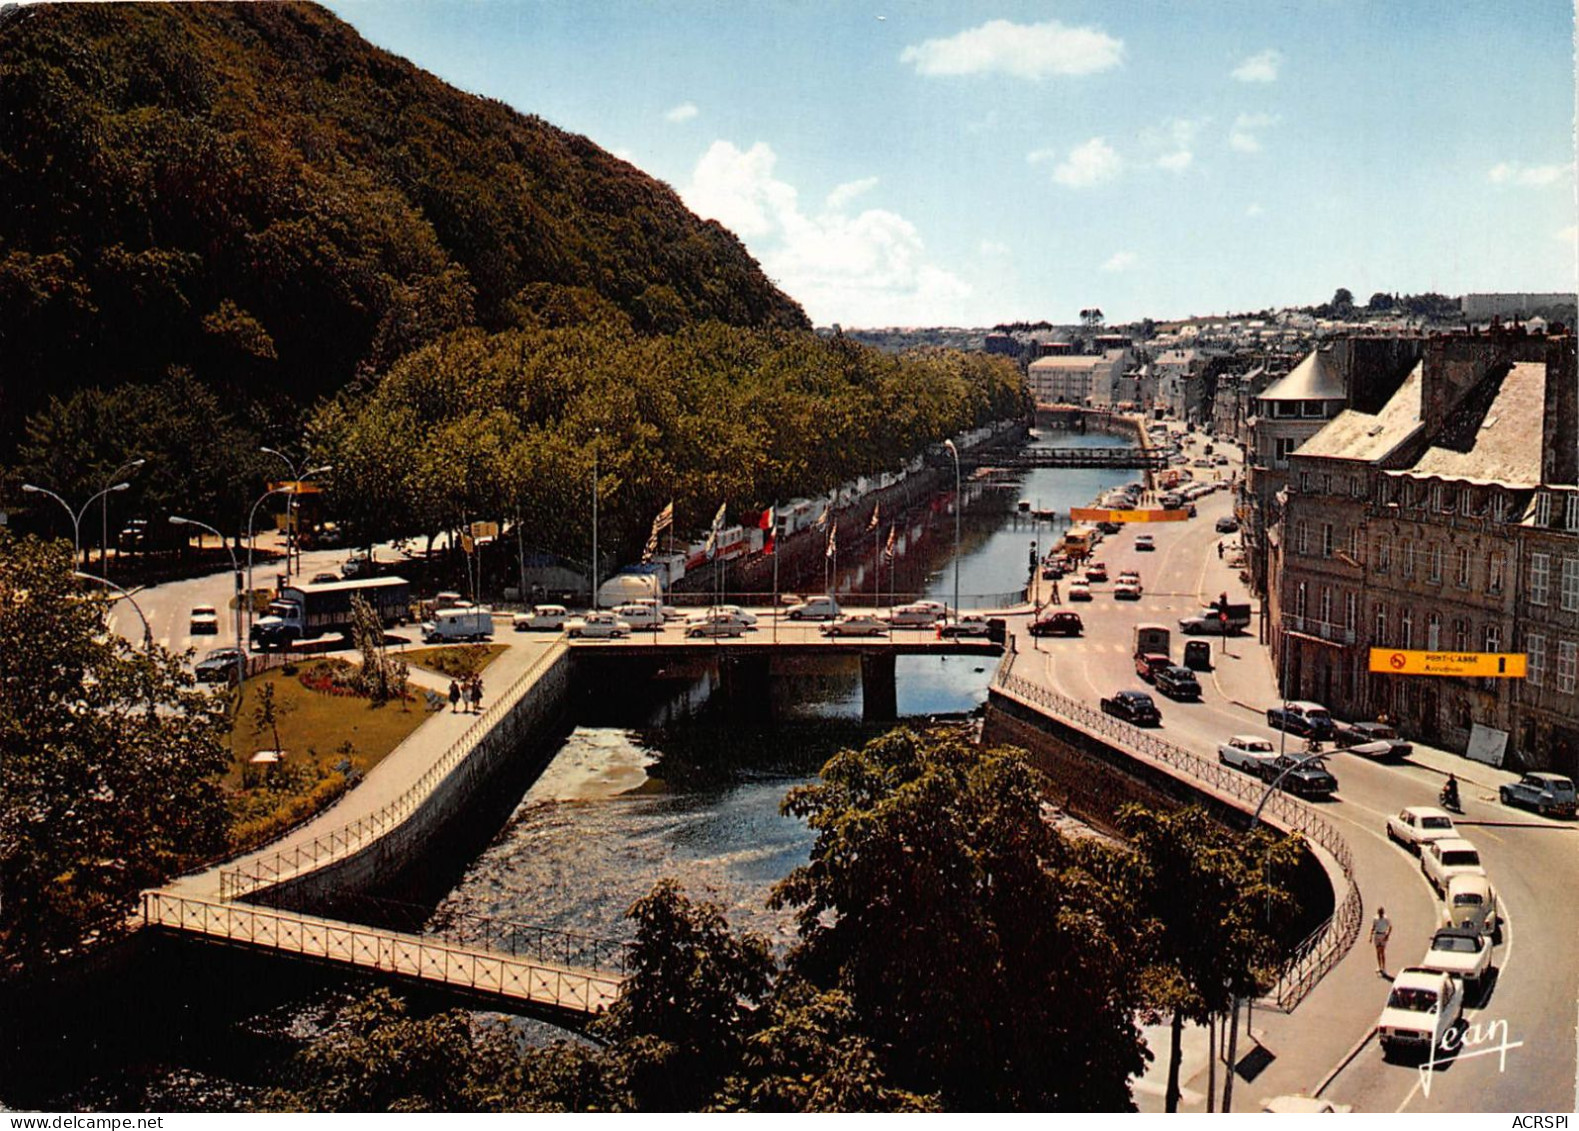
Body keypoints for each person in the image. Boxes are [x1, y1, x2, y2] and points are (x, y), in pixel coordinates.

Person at [1370, 906, 1392, 975]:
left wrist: (1387, 935)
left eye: (1381, 913)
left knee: (1382, 952)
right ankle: (1379, 966)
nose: (1380, 914)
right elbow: (1373, 927)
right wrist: (1370, 936)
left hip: (1383, 935)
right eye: (1379, 913)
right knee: (1378, 951)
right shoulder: (1375, 919)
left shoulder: (1386, 919)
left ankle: (1384, 967)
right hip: (1377, 935)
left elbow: (1390, 927)